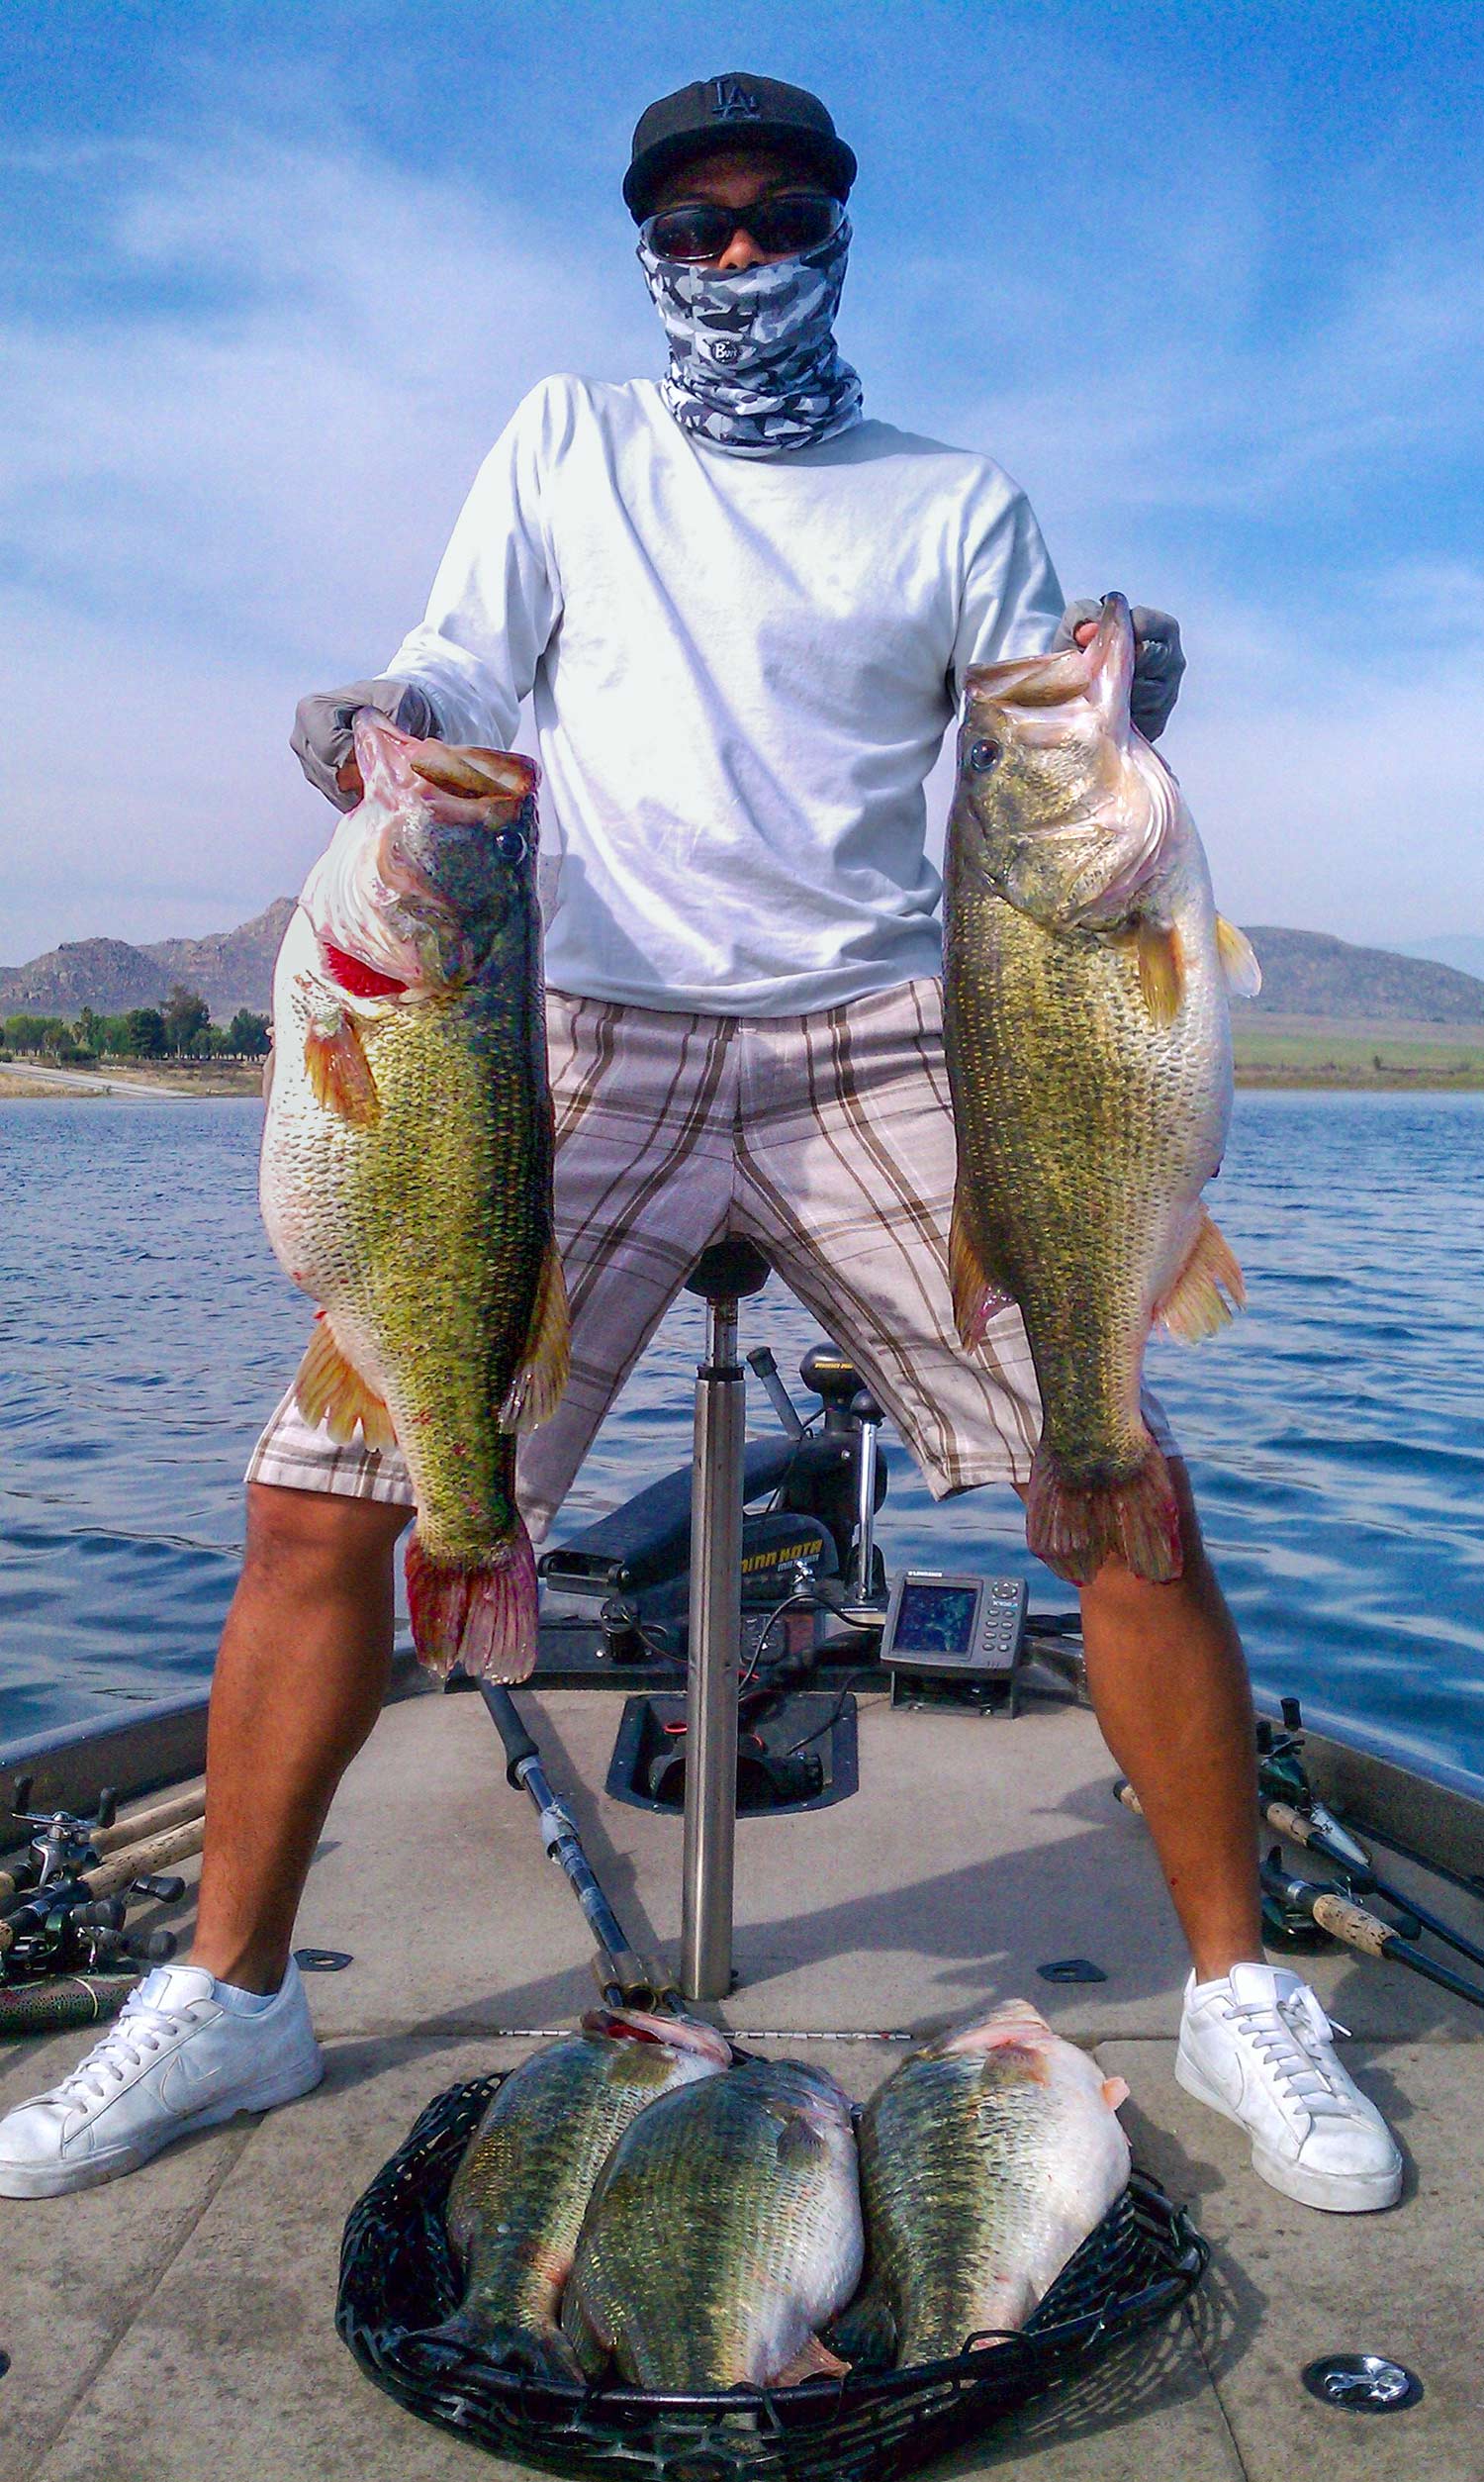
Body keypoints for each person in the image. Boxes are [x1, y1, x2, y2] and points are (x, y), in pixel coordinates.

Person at [0, 73, 1400, 2214]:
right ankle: (233, 1991)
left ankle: (1235, 1989)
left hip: (881, 1033)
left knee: (1121, 1487)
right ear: (648, 249)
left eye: (776, 217)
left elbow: (1052, 752)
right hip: (572, 1023)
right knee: (320, 1514)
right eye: (695, 228)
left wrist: (1133, 692)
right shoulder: (568, 440)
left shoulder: (952, 496)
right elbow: (462, 671)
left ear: (842, 228)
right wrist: (384, 719)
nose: (735, 257)